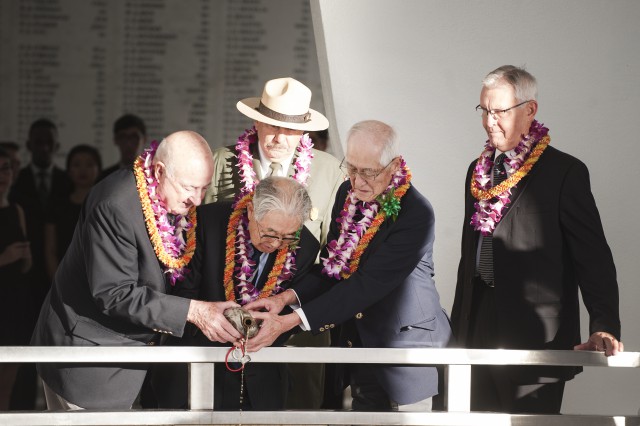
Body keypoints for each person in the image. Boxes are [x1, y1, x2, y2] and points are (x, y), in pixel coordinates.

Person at [245, 120, 452, 412]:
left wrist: (290, 322)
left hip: (407, 348)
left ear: (394, 166)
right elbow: (333, 268)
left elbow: (366, 284)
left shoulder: (416, 213)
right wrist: (284, 299)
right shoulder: (347, 193)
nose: (357, 182)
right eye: (351, 168)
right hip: (359, 341)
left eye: (367, 172)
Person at [451, 65, 624, 414]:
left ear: (530, 110)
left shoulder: (564, 173)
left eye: (499, 111)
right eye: (484, 110)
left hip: (534, 335)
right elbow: (470, 253)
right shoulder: (477, 170)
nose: (489, 121)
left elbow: (593, 258)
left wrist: (604, 325)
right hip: (477, 325)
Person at [30, 130, 245, 410]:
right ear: (158, 171)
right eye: (190, 188)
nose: (198, 200)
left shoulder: (174, 199)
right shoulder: (114, 204)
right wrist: (195, 311)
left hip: (140, 357)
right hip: (90, 355)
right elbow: (114, 293)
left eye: (204, 188)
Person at [204, 76, 345, 409]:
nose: (280, 138)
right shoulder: (222, 164)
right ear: (256, 121)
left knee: (297, 414)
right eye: (271, 126)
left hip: (295, 333)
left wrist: (290, 306)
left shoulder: (331, 172)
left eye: (292, 129)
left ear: (306, 131)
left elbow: (335, 260)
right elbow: (202, 243)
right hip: (225, 330)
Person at [154, 176, 320, 410]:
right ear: (251, 210)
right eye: (269, 232)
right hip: (196, 372)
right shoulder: (207, 221)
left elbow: (292, 313)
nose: (275, 244)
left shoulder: (306, 246)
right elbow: (181, 291)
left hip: (260, 384)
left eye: (287, 236)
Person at [9, 118, 72, 410]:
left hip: (62, 275)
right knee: (19, 351)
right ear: (29, 145)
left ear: (57, 146)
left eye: (49, 142)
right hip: (22, 281)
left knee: (58, 352)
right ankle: (20, 411)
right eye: (38, 142)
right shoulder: (14, 181)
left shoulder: (66, 180)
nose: (44, 148)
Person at [0, 147, 32, 410]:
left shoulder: (17, 209)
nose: (2, 175)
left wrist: (24, 258)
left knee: (7, 389)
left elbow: (25, 265)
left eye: (6, 168)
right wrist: (4, 257)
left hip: (13, 303)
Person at [44, 145, 102, 281]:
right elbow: (50, 250)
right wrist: (58, 282)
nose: (83, 170)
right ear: (69, 171)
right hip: (64, 277)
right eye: (76, 165)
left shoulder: (106, 205)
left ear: (98, 170)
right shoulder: (57, 206)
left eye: (89, 164)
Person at [98, 113, 147, 181]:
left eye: (134, 137)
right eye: (123, 137)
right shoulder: (105, 177)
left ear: (144, 139)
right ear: (115, 140)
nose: (128, 143)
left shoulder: (155, 175)